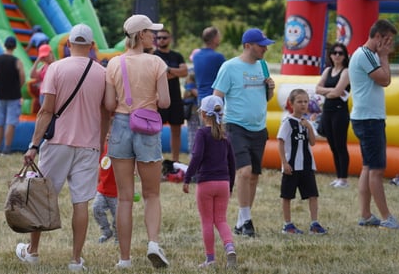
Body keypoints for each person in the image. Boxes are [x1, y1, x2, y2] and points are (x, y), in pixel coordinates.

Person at [17, 23, 109, 270]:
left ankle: (33, 252)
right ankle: (76, 260)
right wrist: (100, 144)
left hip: (57, 142)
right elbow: (105, 111)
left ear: (68, 45)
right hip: (88, 144)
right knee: (81, 203)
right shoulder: (101, 73)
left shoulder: (55, 68)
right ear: (91, 46)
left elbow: (46, 110)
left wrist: (33, 145)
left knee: (43, 197)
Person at [105, 15, 171, 269]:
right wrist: (150, 98)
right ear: (141, 34)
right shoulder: (156, 63)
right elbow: (164, 102)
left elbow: (110, 105)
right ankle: (153, 243)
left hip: (121, 126)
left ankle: (124, 259)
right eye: (151, 31)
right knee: (151, 194)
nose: (154, 35)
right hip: (147, 126)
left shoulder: (113, 64)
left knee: (124, 198)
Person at [212, 28, 276, 238]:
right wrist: (216, 124)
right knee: (245, 172)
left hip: (259, 127)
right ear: (248, 45)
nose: (265, 48)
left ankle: (243, 221)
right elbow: (217, 97)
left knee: (254, 175)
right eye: (261, 45)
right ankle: (246, 220)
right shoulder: (229, 67)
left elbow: (265, 98)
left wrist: (270, 89)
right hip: (235, 125)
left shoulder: (263, 66)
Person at [349, 18, 399, 229]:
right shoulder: (367, 55)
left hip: (366, 117)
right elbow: (385, 80)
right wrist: (384, 56)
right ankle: (386, 217)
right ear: (378, 36)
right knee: (376, 170)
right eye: (387, 40)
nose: (389, 45)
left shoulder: (364, 55)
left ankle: (365, 214)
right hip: (369, 119)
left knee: (368, 167)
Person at [182, 95, 236, 269]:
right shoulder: (224, 135)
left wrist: (187, 177)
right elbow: (232, 162)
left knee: (207, 221)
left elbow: (197, 156)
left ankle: (210, 259)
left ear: (203, 114)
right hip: (224, 183)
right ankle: (229, 247)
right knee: (221, 219)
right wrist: (231, 185)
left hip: (206, 183)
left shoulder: (201, 133)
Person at [277, 89, 326, 235]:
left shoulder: (307, 122)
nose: (303, 104)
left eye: (305, 101)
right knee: (287, 195)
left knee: (313, 194)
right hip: (292, 166)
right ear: (291, 104)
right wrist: (284, 163)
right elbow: (280, 142)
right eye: (299, 101)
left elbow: (312, 142)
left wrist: (310, 127)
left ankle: (314, 224)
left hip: (307, 165)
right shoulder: (287, 122)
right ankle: (287, 225)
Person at [314, 42, 351, 188]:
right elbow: (317, 89)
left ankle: (344, 178)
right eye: (334, 52)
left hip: (339, 111)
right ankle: (338, 176)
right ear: (330, 55)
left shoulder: (346, 72)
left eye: (340, 53)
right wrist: (331, 90)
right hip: (327, 110)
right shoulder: (328, 70)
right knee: (333, 145)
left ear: (344, 56)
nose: (337, 55)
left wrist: (329, 91)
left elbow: (337, 92)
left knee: (340, 145)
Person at [154, 28, 188, 163]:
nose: (161, 40)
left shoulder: (177, 55)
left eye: (164, 37)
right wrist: (174, 72)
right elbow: (160, 75)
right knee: (156, 131)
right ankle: (156, 158)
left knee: (176, 129)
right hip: (158, 98)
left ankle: (175, 160)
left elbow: (185, 72)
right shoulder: (154, 55)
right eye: (159, 38)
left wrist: (168, 70)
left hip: (175, 98)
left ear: (170, 39)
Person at [191, 27, 226, 153]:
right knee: (219, 132)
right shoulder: (218, 57)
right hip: (216, 99)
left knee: (205, 131)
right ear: (215, 38)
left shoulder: (196, 56)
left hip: (202, 99)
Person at [0, 36, 25, 154]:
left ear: (5, 45)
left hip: (0, 94)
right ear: (15, 47)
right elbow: (22, 77)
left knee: (0, 122)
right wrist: (18, 87)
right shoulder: (17, 61)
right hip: (14, 95)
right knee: (10, 122)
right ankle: (7, 148)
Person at [93, 143, 118, 244]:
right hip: (103, 189)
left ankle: (118, 237)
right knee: (96, 208)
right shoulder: (104, 146)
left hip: (117, 192)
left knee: (118, 217)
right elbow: (102, 166)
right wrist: (98, 181)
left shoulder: (122, 148)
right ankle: (106, 231)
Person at [29, 43, 55, 112]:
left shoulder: (57, 65)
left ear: (51, 53)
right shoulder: (44, 66)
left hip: (51, 95)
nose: (45, 59)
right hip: (43, 94)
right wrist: (37, 61)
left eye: (46, 56)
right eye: (42, 57)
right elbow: (32, 75)